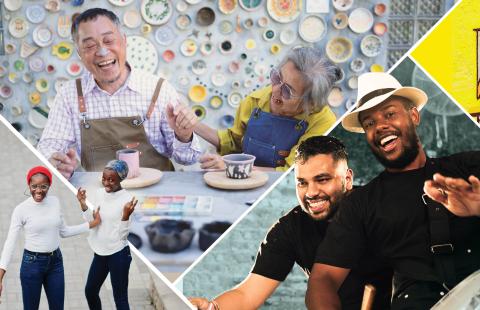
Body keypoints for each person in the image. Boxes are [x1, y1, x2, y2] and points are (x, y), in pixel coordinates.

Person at [306, 72, 480, 309]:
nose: (380, 126)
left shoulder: (468, 167)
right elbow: (322, 279)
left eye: (389, 114)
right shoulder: (361, 204)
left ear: (414, 115)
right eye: (369, 123)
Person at [189, 136, 392, 310]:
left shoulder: (380, 211)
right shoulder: (291, 228)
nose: (311, 192)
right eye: (302, 182)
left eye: (322, 180)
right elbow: (247, 294)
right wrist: (212, 307)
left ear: (347, 179)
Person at [37, 8, 201, 179]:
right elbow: (49, 147)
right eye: (90, 46)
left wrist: (183, 136)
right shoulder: (69, 95)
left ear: (123, 40)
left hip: (155, 196)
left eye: (108, 40)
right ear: (79, 52)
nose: (102, 51)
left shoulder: (158, 89)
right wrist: (57, 163)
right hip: (99, 196)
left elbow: (188, 159)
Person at [195, 47, 338, 172]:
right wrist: (192, 124)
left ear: (310, 104)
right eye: (277, 78)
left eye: (287, 91)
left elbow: (292, 172)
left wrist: (233, 166)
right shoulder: (254, 101)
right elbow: (234, 143)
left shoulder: (323, 122)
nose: (275, 90)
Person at [0, 166, 100, 310]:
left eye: (43, 186)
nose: (38, 190)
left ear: (49, 186)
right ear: (29, 184)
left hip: (55, 263)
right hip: (32, 265)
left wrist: (91, 223)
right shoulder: (21, 210)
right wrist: (1, 274)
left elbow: (64, 231)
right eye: (34, 186)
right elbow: (10, 242)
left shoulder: (54, 202)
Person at [76, 159, 137, 310]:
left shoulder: (127, 200)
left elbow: (123, 236)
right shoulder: (99, 194)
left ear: (121, 179)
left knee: (120, 299)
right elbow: (95, 221)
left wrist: (125, 216)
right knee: (90, 291)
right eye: (104, 178)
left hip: (119, 254)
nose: (106, 182)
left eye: (111, 179)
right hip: (100, 253)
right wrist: (83, 205)